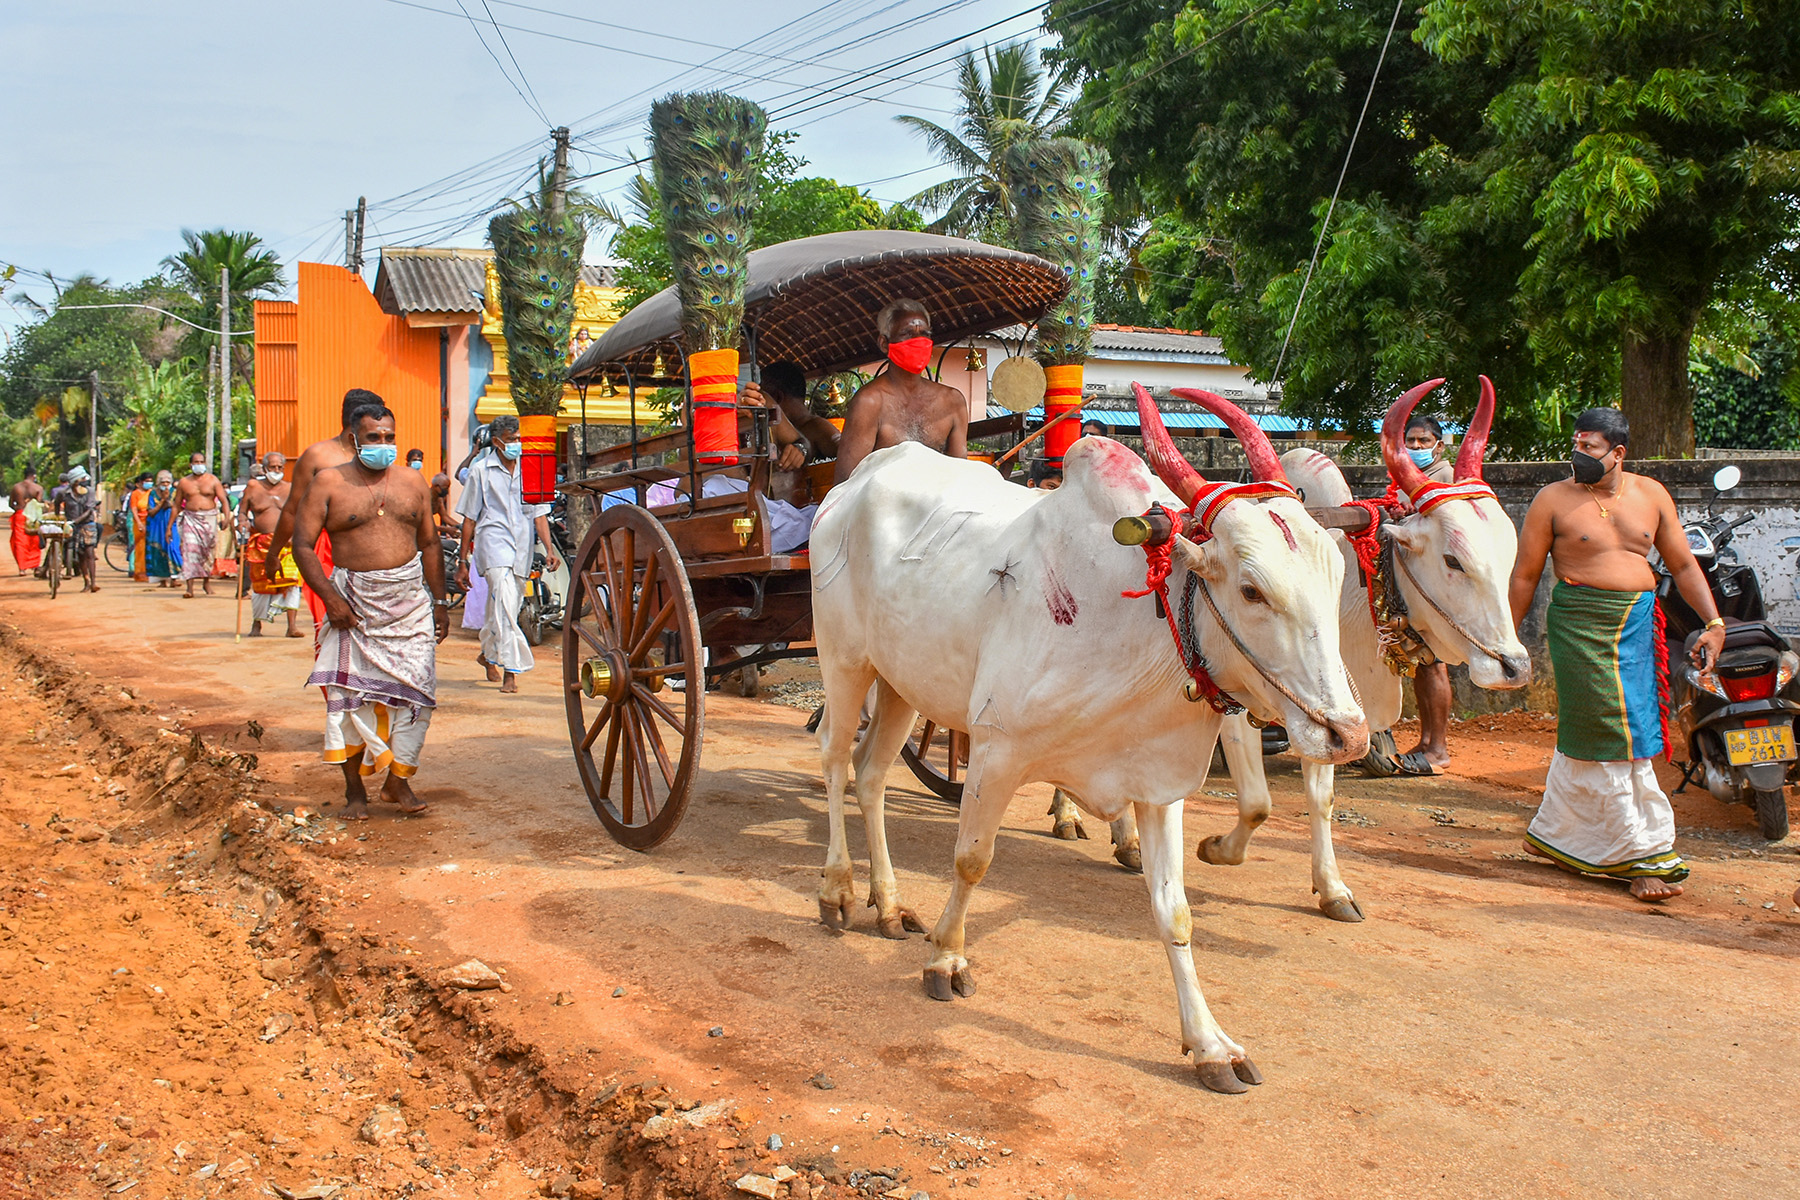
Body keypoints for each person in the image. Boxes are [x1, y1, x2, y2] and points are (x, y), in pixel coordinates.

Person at [1508, 408, 1728, 902]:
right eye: (1576, 444)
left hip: (1636, 625)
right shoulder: (1552, 500)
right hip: (1579, 626)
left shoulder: (1651, 495)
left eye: (1589, 448)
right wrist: (1508, 634)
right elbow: (1524, 575)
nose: (1577, 455)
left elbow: (1684, 565)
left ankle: (1556, 835)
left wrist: (1713, 624)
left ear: (1618, 453)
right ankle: (1641, 854)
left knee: (1628, 728)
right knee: (1612, 727)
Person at [292, 402, 448, 818]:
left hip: (410, 604)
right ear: (353, 439)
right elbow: (302, 546)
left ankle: (398, 783)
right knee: (347, 700)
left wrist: (440, 601)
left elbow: (430, 543)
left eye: (389, 437)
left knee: (421, 692)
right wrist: (331, 600)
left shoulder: (414, 482)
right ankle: (355, 793)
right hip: (353, 607)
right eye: (374, 438)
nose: (384, 445)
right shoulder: (328, 483)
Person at [454, 415, 560, 694]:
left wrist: (549, 550)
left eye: (518, 438)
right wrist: (462, 560)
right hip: (492, 543)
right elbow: (469, 518)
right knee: (503, 599)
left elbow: (539, 516)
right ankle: (511, 671)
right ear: (498, 442)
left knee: (507, 605)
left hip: (522, 547)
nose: (516, 444)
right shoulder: (480, 471)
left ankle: (488, 653)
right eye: (511, 439)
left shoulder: (531, 469)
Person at [267, 388, 383, 642]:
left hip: (374, 552)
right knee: (332, 625)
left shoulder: (378, 455)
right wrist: (274, 553)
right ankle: (335, 681)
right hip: (326, 552)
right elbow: (292, 509)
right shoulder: (318, 456)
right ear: (357, 418)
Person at [1383, 414, 1456, 776]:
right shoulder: (1404, 478)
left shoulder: (1443, 478)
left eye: (1423, 442)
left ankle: (1438, 748)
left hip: (1434, 585)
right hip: (1413, 583)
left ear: (1439, 446)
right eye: (1409, 442)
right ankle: (1427, 743)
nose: (1415, 448)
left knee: (1434, 661)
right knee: (1423, 662)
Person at [834, 299, 969, 482]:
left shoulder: (952, 402)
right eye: (907, 333)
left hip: (936, 506)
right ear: (884, 343)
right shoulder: (869, 403)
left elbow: (959, 477)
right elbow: (845, 485)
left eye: (924, 334)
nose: (918, 341)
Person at [238, 452, 305, 638]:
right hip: (261, 544)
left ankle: (291, 626)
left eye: (280, 468)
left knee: (292, 582)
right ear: (264, 467)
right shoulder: (253, 487)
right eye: (273, 467)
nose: (276, 471)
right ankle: (257, 624)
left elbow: (300, 514)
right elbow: (242, 512)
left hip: (287, 543)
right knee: (261, 584)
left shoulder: (291, 488)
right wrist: (242, 522)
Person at [744, 361, 841, 468]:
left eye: (762, 398)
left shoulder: (817, 426)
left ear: (776, 397)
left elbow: (845, 453)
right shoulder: (776, 429)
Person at [174, 451, 228, 597]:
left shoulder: (213, 480)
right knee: (189, 551)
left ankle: (206, 582)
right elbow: (176, 505)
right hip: (191, 518)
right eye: (196, 462)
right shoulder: (184, 483)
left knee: (208, 553)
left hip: (209, 518)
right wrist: (169, 527)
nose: (199, 465)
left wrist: (227, 517)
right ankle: (189, 588)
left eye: (201, 462)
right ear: (190, 465)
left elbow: (223, 500)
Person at [53, 465, 103, 592]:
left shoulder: (90, 491)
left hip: (87, 524)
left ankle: (93, 583)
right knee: (80, 553)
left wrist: (74, 521)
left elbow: (88, 511)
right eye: (83, 479)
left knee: (89, 552)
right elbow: (57, 503)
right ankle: (86, 581)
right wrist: (58, 516)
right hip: (72, 526)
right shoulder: (64, 493)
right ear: (75, 481)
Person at [145, 471, 181, 586]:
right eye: (163, 482)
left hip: (171, 523)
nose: (165, 485)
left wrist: (168, 502)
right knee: (157, 550)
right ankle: (162, 579)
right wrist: (163, 500)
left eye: (167, 482)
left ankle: (174, 578)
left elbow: (177, 506)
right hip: (156, 525)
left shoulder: (175, 492)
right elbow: (151, 512)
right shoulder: (153, 494)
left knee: (172, 548)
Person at [8, 465, 43, 576]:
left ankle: (22, 569)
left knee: (20, 542)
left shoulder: (16, 487)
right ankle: (35, 566)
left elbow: (11, 503)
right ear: (34, 476)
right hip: (32, 517)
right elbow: (38, 505)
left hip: (20, 515)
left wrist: (18, 509)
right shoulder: (38, 488)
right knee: (34, 541)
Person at [125, 472, 153, 581]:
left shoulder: (152, 493)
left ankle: (151, 571)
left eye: (151, 481)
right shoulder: (135, 494)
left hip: (151, 522)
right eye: (147, 481)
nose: (149, 483)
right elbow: (134, 509)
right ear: (141, 482)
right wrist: (139, 523)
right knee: (139, 547)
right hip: (139, 522)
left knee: (150, 547)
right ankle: (140, 572)